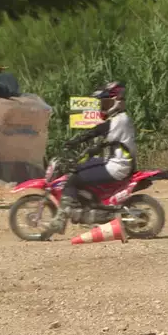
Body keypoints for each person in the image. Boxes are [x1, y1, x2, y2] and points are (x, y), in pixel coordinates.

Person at [43, 81, 137, 239]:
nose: (102, 107)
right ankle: (83, 204)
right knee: (81, 167)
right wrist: (74, 142)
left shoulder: (119, 120)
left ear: (115, 102)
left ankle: (66, 217)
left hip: (117, 166)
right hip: (113, 161)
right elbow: (95, 132)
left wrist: (81, 151)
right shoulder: (118, 119)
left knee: (73, 177)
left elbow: (98, 138)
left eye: (105, 103)